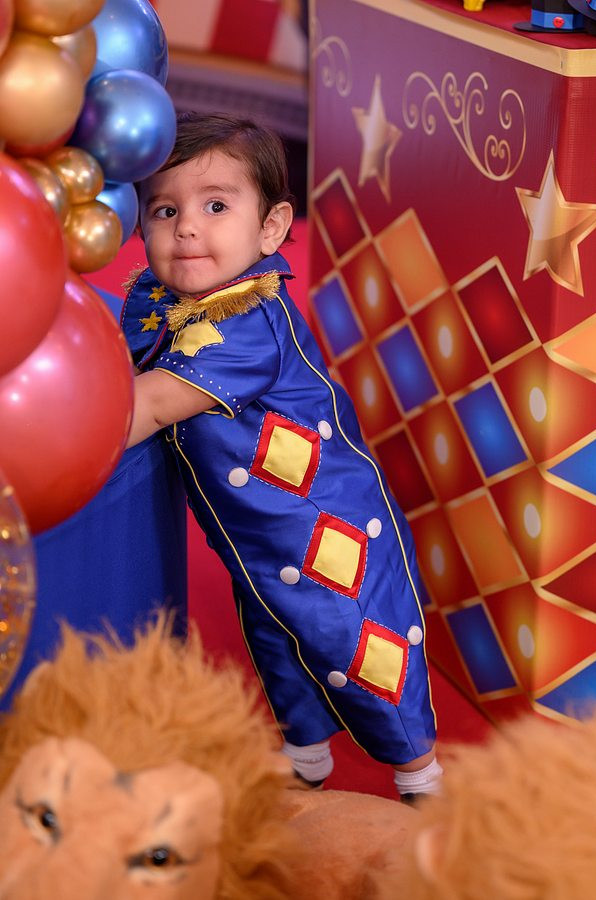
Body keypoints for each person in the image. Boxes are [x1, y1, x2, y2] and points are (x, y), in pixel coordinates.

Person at [121, 112, 441, 800]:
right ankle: (305, 756)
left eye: (215, 206)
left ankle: (420, 774)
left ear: (270, 229)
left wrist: (57, 428)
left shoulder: (245, 321)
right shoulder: (166, 300)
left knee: (356, 643)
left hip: (322, 523)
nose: (186, 228)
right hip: (256, 534)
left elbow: (148, 405)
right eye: (164, 210)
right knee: (276, 641)